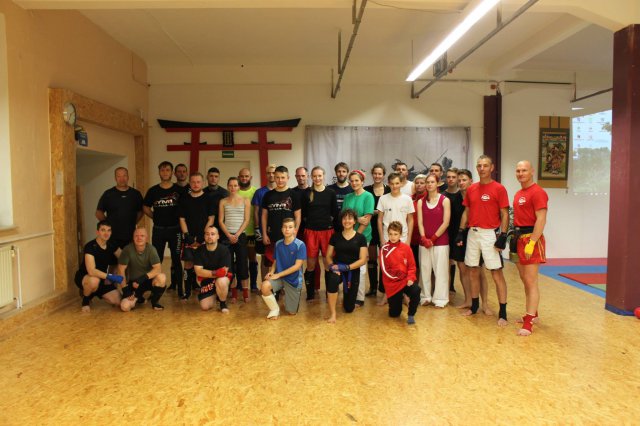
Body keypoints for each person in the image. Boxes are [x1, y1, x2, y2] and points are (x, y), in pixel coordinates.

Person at [457, 155, 510, 326]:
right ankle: (474, 307)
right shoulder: (472, 189)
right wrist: (460, 231)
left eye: (485, 165)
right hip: (473, 233)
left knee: (496, 273)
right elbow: (466, 212)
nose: (482, 168)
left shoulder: (499, 188)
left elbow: (504, 214)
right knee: (473, 270)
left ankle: (503, 312)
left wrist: (503, 235)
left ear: (491, 167)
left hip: (489, 235)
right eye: (479, 165)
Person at [512, 160, 548, 336]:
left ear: (532, 171)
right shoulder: (518, 193)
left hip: (531, 239)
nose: (521, 173)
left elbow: (541, 219)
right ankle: (533, 314)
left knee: (530, 281)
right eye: (518, 170)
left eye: (524, 170)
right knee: (524, 279)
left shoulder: (538, 192)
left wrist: (532, 242)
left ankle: (528, 322)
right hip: (518, 238)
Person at [451, 169, 492, 313]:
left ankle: (485, 304)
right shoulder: (454, 199)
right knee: (463, 269)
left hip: (476, 236)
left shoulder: (477, 195)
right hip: (459, 237)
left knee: (478, 271)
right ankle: (468, 300)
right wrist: (457, 236)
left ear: (471, 181)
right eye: (459, 180)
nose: (461, 183)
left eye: (464, 180)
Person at [143, 161, 183, 292]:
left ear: (172, 173)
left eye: (167, 170)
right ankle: (155, 288)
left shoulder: (179, 190)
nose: (165, 172)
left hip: (175, 230)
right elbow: (145, 207)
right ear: (159, 172)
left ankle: (180, 290)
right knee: (157, 260)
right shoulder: (153, 190)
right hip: (159, 230)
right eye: (162, 170)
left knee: (176, 260)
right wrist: (155, 217)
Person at [377, 172, 414, 305]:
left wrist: (408, 240)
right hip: (388, 238)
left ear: (401, 183)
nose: (394, 186)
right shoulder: (383, 199)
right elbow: (379, 219)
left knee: (402, 267)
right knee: (387, 268)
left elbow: (410, 220)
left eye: (397, 183)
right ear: (388, 184)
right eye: (392, 183)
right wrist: (382, 239)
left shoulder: (407, 199)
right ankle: (386, 294)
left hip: (402, 239)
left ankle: (404, 294)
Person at [324, 209, 368, 323]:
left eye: (350, 218)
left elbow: (363, 260)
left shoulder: (361, 238)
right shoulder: (335, 236)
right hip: (337, 268)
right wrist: (332, 266)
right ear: (341, 221)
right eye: (344, 218)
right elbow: (328, 255)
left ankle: (346, 298)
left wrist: (348, 267)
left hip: (352, 270)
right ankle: (333, 313)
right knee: (333, 279)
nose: (347, 221)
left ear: (355, 221)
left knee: (349, 309)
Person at [300, 166, 336, 302]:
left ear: (324, 176)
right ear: (311, 177)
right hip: (311, 232)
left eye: (319, 175)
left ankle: (329, 293)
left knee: (328, 264)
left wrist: (325, 223)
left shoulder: (331, 193)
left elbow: (334, 213)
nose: (317, 178)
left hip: (327, 232)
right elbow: (303, 214)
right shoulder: (306, 193)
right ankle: (310, 294)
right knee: (311, 264)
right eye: (314, 176)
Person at [179, 172, 216, 300]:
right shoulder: (184, 199)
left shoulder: (209, 199)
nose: (195, 184)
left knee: (204, 264)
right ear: (190, 183)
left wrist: (203, 236)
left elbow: (211, 219)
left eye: (198, 182)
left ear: (203, 183)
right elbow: (182, 219)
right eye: (193, 182)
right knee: (188, 264)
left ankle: (206, 290)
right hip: (189, 237)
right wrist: (187, 236)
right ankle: (187, 292)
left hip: (204, 238)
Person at [260, 218, 307, 319]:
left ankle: (290, 301)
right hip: (280, 277)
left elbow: (297, 266)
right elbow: (276, 261)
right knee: (264, 286)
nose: (287, 229)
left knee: (291, 312)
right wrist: (272, 272)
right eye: (285, 227)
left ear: (295, 230)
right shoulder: (278, 244)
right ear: (281, 229)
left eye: (290, 227)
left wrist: (278, 274)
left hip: (293, 280)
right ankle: (275, 310)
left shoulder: (300, 245)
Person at [417, 174, 451, 307]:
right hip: (425, 242)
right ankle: (425, 296)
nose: (429, 184)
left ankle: (440, 299)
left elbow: (446, 222)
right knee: (424, 269)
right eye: (427, 182)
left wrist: (433, 239)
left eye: (432, 182)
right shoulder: (421, 202)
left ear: (438, 184)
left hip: (440, 242)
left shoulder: (445, 200)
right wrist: (424, 238)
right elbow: (420, 222)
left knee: (441, 271)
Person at [74, 220, 122, 312]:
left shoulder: (112, 244)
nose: (106, 233)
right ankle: (86, 300)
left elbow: (123, 258)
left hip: (102, 279)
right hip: (86, 277)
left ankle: (92, 293)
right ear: (97, 232)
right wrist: (110, 276)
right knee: (94, 281)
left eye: (108, 230)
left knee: (118, 300)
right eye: (103, 230)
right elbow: (91, 271)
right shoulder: (90, 246)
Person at [342, 169, 375, 306]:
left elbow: (366, 221)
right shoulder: (347, 197)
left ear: (362, 181)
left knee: (360, 268)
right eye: (352, 181)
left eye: (357, 180)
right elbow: (345, 218)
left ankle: (359, 298)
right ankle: (349, 294)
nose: (354, 183)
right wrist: (357, 219)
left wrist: (356, 236)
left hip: (362, 237)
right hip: (347, 236)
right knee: (349, 266)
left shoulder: (368, 196)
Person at [261, 166, 301, 269]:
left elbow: (298, 216)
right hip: (272, 236)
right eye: (277, 177)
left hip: (289, 236)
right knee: (272, 265)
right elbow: (264, 216)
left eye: (283, 177)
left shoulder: (294, 195)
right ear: (274, 177)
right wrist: (264, 234)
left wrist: (295, 232)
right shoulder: (268, 195)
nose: (280, 180)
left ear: (288, 178)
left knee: (290, 263)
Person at [218, 177, 251, 303]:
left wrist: (237, 234)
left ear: (239, 187)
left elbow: (246, 220)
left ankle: (245, 293)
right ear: (227, 186)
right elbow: (221, 220)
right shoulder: (223, 201)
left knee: (243, 264)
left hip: (240, 235)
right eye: (230, 185)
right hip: (227, 236)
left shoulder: (246, 200)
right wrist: (228, 235)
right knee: (229, 265)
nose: (233, 188)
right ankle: (234, 293)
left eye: (235, 185)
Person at [118, 228, 167, 312]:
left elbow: (158, 269)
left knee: (162, 277)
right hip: (134, 283)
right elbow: (120, 270)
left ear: (146, 238)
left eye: (142, 236)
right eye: (136, 236)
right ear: (133, 238)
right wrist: (125, 290)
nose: (139, 238)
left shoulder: (151, 249)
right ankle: (139, 298)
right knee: (125, 307)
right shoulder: (127, 250)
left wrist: (143, 278)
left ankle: (155, 302)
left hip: (147, 280)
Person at [380, 221, 419, 324]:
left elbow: (412, 266)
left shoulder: (406, 248)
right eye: (390, 234)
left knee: (416, 290)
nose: (393, 237)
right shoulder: (384, 249)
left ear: (400, 235)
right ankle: (398, 298)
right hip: (392, 284)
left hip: (406, 280)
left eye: (396, 234)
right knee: (394, 314)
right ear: (388, 234)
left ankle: (411, 314)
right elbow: (385, 270)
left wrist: (410, 278)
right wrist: (398, 277)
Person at [95, 167, 143, 249]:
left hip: (130, 235)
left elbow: (141, 211)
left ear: (128, 177)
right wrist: (107, 224)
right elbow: (98, 213)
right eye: (119, 176)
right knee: (113, 257)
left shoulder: (135, 194)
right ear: (115, 178)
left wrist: (133, 222)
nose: (122, 179)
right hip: (112, 236)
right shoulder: (108, 194)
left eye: (124, 176)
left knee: (129, 257)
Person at [364, 163, 390, 297]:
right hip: (370, 227)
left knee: (385, 259)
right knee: (372, 258)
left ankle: (383, 287)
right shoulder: (366, 190)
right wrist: (375, 212)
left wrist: (377, 212)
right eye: (375, 173)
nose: (377, 176)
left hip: (386, 228)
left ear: (383, 175)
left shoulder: (389, 189)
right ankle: (373, 287)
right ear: (372, 174)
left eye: (380, 174)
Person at [193, 225, 233, 313]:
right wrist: (215, 273)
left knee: (221, 281)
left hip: (220, 279)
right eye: (207, 234)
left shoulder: (224, 250)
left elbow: (223, 273)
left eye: (212, 234)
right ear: (204, 236)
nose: (209, 236)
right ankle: (216, 294)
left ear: (218, 236)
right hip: (207, 280)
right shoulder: (199, 250)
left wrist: (209, 273)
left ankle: (222, 303)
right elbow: (198, 272)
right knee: (205, 307)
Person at [252, 164, 276, 280]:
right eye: (268, 173)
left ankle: (278, 285)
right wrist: (257, 229)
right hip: (263, 231)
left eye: (273, 172)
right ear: (265, 175)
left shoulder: (282, 191)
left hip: (278, 231)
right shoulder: (259, 192)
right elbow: (256, 212)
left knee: (279, 258)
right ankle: (264, 284)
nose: (271, 175)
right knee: (265, 258)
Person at [238, 167, 259, 292]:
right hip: (238, 232)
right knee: (240, 259)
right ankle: (240, 284)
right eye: (242, 176)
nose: (244, 178)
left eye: (246, 176)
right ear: (238, 177)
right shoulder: (234, 191)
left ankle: (254, 284)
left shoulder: (256, 192)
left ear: (250, 177)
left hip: (251, 232)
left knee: (252, 258)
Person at [443, 167, 460, 293]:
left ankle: (452, 285)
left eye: (453, 177)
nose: (451, 179)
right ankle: (447, 287)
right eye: (448, 177)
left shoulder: (462, 195)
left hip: (459, 232)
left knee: (459, 262)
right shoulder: (442, 195)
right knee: (447, 260)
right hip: (446, 231)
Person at [328, 162, 353, 231]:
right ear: (336, 173)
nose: (341, 174)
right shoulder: (329, 189)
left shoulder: (353, 189)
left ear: (347, 173)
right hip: (332, 226)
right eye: (339, 171)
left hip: (349, 225)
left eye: (344, 171)